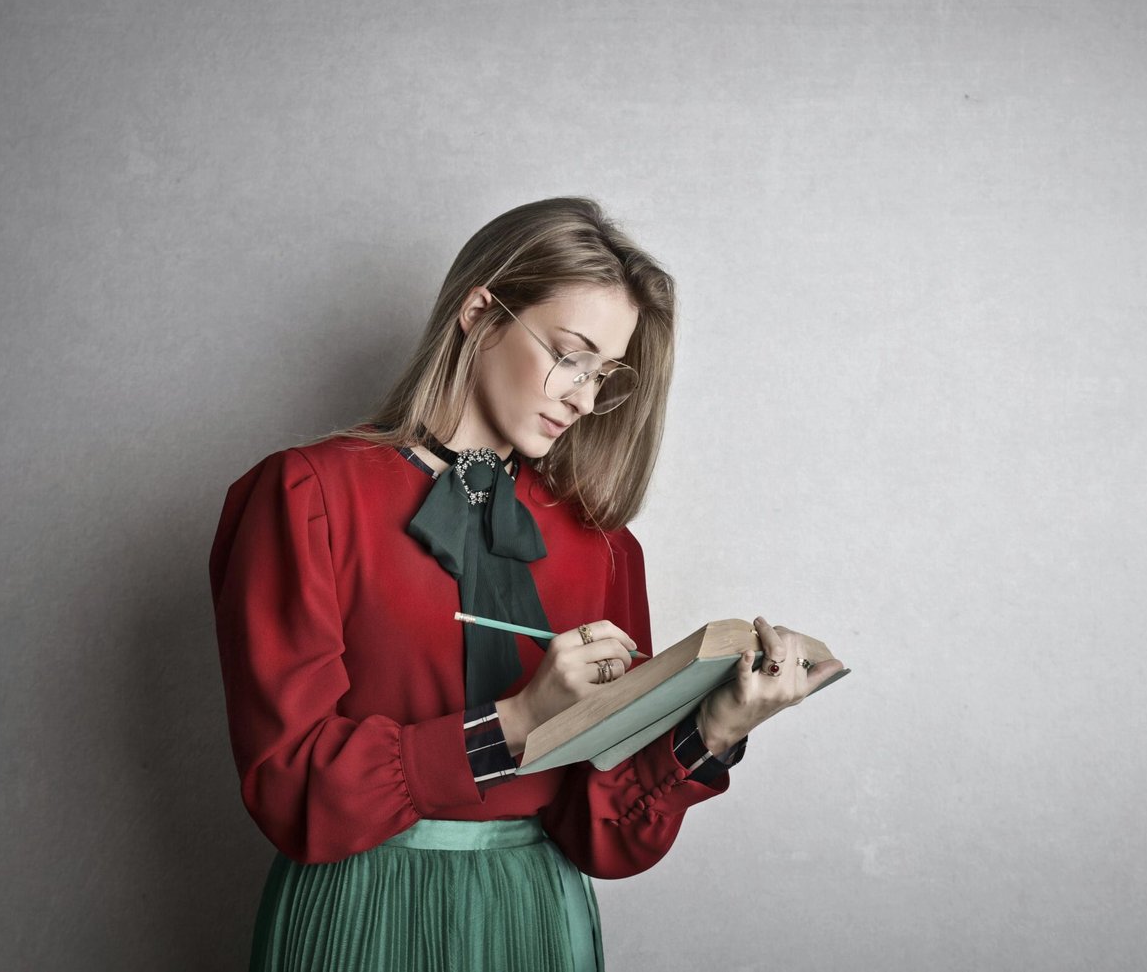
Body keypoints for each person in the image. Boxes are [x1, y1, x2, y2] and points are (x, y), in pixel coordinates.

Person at [208, 197, 845, 971]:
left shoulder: (606, 551)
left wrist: (715, 728)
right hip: (358, 907)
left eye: (604, 374)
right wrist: (515, 721)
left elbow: (599, 836)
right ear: (481, 311)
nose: (583, 396)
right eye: (571, 355)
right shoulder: (307, 496)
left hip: (535, 915)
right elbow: (291, 787)